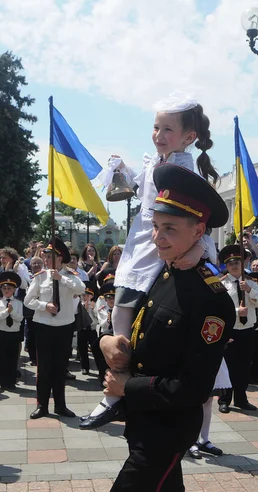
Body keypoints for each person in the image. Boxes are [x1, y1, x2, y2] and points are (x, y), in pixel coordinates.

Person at [81, 91, 219, 430]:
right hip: (138, 250)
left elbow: (197, 220)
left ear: (190, 137)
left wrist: (202, 247)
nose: (158, 135)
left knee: (142, 329)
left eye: (167, 130)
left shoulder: (184, 174)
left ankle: (118, 395)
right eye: (156, 128)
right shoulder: (155, 166)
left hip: (157, 256)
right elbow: (131, 188)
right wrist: (120, 170)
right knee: (120, 322)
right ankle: (117, 393)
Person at [99, 163, 234, 491]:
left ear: (198, 232)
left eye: (170, 228)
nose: (158, 238)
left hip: (168, 429)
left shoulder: (211, 300)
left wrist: (126, 386)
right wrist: (107, 342)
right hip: (144, 421)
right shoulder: (165, 273)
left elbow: (194, 387)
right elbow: (143, 337)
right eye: (156, 226)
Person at [24, 237, 85, 419]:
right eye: (46, 256)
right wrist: (44, 306)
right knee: (44, 368)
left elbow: (81, 289)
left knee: (60, 367)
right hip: (43, 326)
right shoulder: (40, 276)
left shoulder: (70, 276)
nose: (46, 259)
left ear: (60, 258)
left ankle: (60, 405)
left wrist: (61, 279)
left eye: (50, 256)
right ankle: (42, 405)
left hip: (64, 327)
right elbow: (28, 300)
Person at [217, 244, 258, 413]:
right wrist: (237, 311)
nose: (234, 265)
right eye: (230, 263)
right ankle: (224, 399)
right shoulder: (221, 285)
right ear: (226, 266)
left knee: (244, 366)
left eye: (238, 262)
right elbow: (218, 308)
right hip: (230, 331)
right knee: (228, 366)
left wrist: (250, 291)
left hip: (247, 330)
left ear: (243, 264)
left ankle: (241, 398)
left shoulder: (252, 283)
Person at [0, 271, 23, 391]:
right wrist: (6, 312)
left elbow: (19, 318)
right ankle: (2, 381)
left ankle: (11, 381)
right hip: (2, 333)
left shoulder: (18, 303)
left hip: (14, 334)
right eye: (4, 288)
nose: (6, 290)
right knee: (1, 358)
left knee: (13, 358)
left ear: (14, 289)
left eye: (9, 288)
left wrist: (12, 312)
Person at [77, 280, 98, 375]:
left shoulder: (95, 305)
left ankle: (99, 366)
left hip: (92, 330)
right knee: (82, 349)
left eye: (88, 295)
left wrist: (92, 309)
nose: (85, 297)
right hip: (82, 329)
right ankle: (85, 367)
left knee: (95, 349)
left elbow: (98, 318)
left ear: (92, 296)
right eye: (84, 295)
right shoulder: (79, 305)